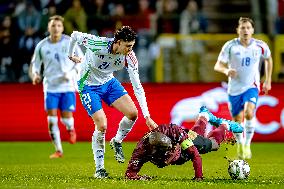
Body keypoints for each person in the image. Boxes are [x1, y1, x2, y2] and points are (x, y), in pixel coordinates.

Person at [68, 26, 158, 178]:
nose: (130, 50)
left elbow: (138, 87)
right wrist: (71, 55)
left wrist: (147, 116)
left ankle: (116, 141)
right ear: (118, 42)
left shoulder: (129, 57)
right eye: (128, 46)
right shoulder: (97, 43)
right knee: (102, 125)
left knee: (133, 114)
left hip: (109, 83)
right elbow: (75, 35)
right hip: (88, 86)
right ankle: (99, 169)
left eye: (132, 46)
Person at [125, 106, 243, 180]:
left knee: (211, 145)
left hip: (183, 137)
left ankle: (225, 125)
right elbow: (130, 175)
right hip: (176, 142)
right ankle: (204, 116)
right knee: (198, 136)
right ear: (153, 152)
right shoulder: (141, 151)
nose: (168, 158)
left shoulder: (176, 134)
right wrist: (140, 178)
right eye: (167, 155)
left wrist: (198, 177)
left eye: (172, 151)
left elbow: (195, 155)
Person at [214, 17, 273, 159]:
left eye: (248, 27)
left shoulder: (260, 46)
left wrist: (268, 80)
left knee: (248, 112)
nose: (245, 30)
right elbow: (218, 65)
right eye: (242, 28)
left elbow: (269, 59)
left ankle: (247, 144)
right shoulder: (230, 46)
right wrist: (226, 71)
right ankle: (240, 144)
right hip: (234, 89)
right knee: (237, 119)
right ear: (238, 30)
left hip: (251, 86)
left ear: (252, 30)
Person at [31, 15, 82, 159]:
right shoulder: (42, 45)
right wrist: (35, 75)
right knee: (52, 119)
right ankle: (59, 150)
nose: (56, 28)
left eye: (58, 26)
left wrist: (74, 74)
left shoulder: (70, 43)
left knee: (66, 119)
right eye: (53, 25)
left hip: (67, 86)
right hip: (50, 87)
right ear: (49, 28)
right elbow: (35, 64)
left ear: (62, 28)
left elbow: (81, 61)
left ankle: (70, 129)